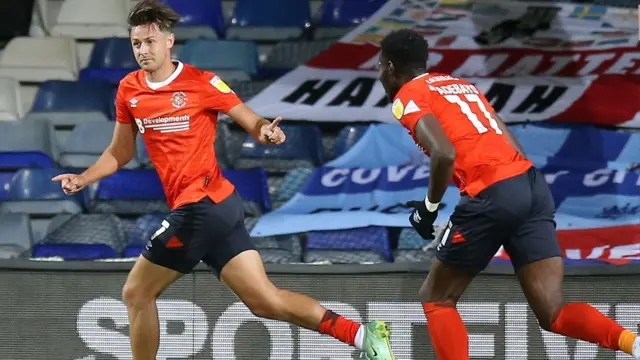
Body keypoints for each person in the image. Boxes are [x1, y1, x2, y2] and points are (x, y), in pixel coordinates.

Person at [51, 1, 396, 359]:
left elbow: (251, 121)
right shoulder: (129, 90)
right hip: (216, 210)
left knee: (136, 294)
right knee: (265, 302)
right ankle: (363, 335)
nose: (143, 50)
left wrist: (268, 133)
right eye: (136, 43)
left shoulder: (202, 83)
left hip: (201, 206)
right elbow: (120, 152)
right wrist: (84, 177)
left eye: (150, 42)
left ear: (169, 42)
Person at [377, 29, 640, 360]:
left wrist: (429, 209)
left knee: (437, 297)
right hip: (530, 184)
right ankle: (635, 344)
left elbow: (443, 154)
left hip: (491, 192)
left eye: (379, 67)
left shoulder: (408, 96)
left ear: (389, 67)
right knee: (552, 311)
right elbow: (508, 138)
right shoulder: (461, 85)